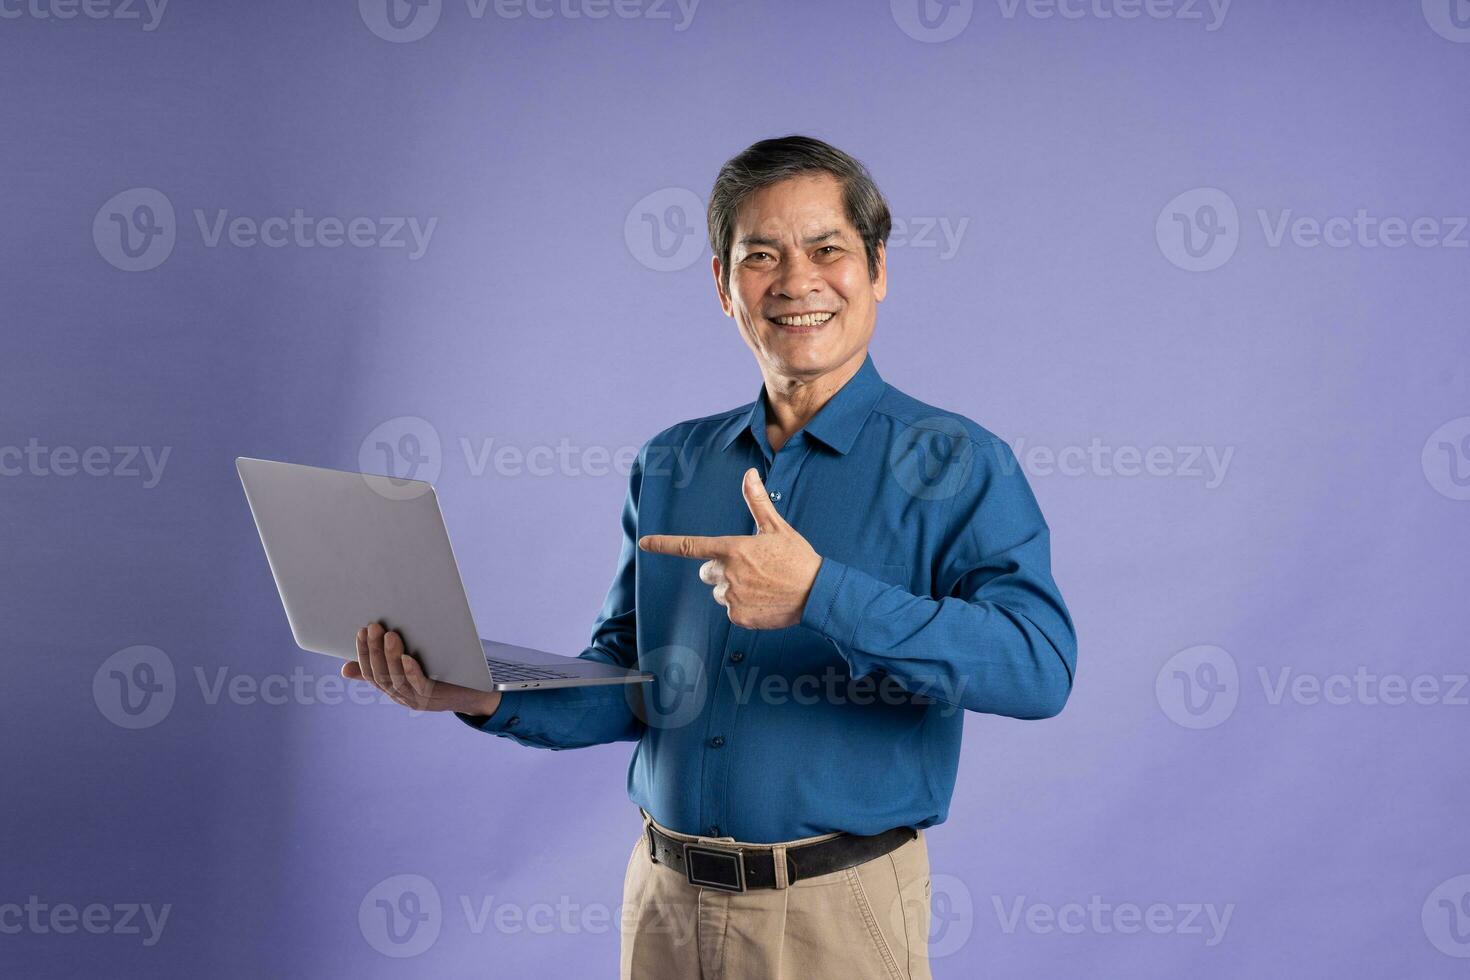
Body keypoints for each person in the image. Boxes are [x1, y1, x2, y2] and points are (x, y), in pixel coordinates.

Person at [345, 135, 1077, 980]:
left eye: (827, 249)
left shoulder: (959, 461)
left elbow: (1040, 668)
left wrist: (821, 595)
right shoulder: (672, 464)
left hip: (838, 921)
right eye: (760, 255)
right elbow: (631, 683)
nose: (796, 280)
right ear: (724, 288)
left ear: (877, 269)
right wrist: (478, 691)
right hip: (663, 906)